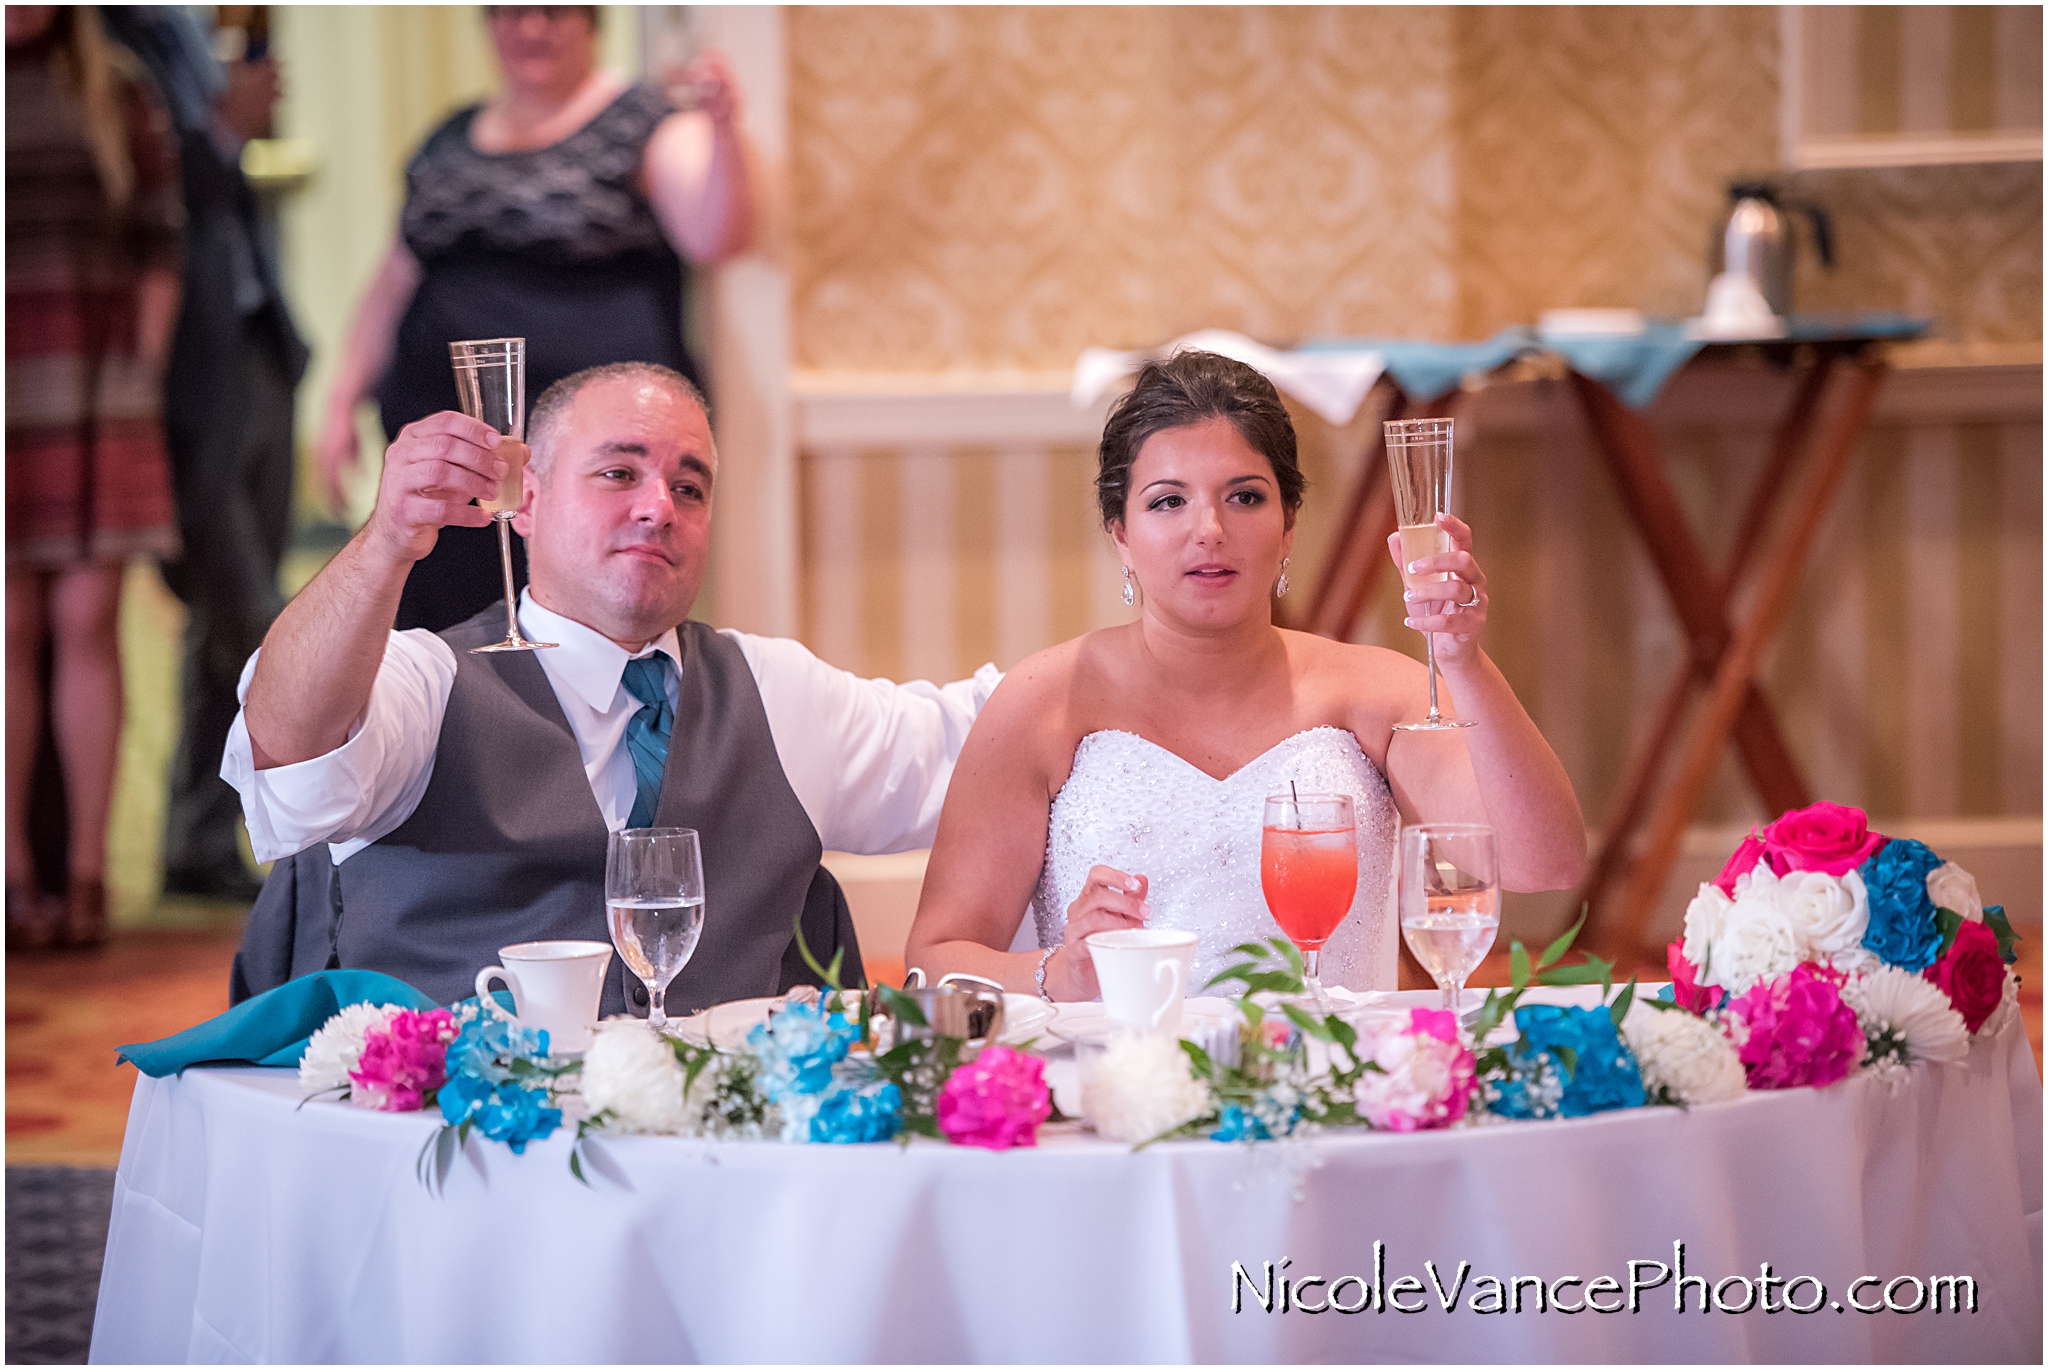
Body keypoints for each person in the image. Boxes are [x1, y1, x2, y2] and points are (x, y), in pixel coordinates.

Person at [227, 362, 997, 1014]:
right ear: (524, 500)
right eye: (619, 474)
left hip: (716, 1168)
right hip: (460, 1159)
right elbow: (289, 752)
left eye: (690, 489)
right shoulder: (425, 681)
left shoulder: (776, 690)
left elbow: (987, 744)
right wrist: (387, 543)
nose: (659, 507)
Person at [903, 351, 1586, 1001]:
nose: (1210, 530)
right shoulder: (1043, 703)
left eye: (1245, 497)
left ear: (1289, 526)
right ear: (1120, 533)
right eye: (1168, 501)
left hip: (1333, 1093)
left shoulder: (1373, 695)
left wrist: (1461, 659)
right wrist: (1058, 973)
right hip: (1129, 1097)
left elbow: (1542, 864)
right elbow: (936, 959)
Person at [313, 4, 751, 634]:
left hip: (585, 467)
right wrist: (342, 394)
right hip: (452, 456)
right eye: (509, 12)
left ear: (591, 21)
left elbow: (716, 235)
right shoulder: (450, 136)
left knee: (567, 638)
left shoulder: (643, 122)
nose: (531, 28)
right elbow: (396, 276)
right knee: (448, 642)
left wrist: (723, 131)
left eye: (553, 11)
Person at [103, 6, 310, 904]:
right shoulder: (100, 34)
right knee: (250, 612)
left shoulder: (188, 25)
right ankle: (316, 838)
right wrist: (223, 130)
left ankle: (196, 836)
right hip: (178, 364)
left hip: (256, 343)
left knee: (222, 618)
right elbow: (135, 195)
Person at [6, 5, 185, 948]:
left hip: (98, 383)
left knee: (87, 623)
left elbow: (161, 242)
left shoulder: (118, 87)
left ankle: (82, 877)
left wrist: (141, 371)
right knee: (9, 629)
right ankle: (12, 879)